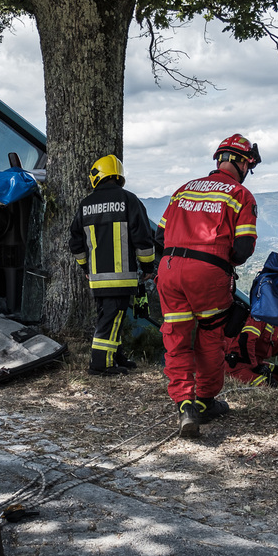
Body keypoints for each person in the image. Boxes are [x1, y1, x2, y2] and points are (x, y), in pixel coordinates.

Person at [156, 134, 259, 437]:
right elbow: (243, 249)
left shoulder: (183, 189)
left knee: (176, 337)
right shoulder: (240, 194)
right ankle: (205, 400)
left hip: (170, 269)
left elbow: (160, 237)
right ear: (242, 163)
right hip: (207, 273)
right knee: (212, 337)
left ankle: (184, 404)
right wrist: (220, 263)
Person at [68, 154, 156, 375]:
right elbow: (143, 238)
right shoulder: (129, 200)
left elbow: (75, 243)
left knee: (110, 316)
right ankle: (100, 364)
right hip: (121, 277)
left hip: (97, 277)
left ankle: (115, 356)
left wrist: (85, 268)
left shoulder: (85, 205)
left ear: (96, 176)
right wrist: (147, 267)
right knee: (111, 318)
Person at [224, 316, 278, 387]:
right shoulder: (260, 317)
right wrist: (255, 367)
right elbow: (246, 342)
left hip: (257, 363)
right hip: (237, 363)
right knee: (268, 386)